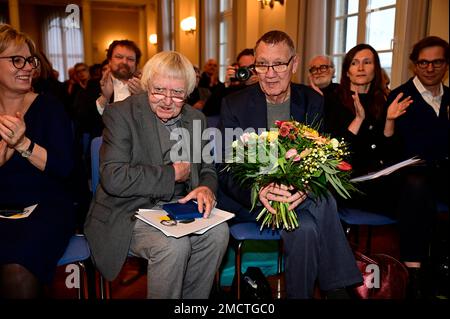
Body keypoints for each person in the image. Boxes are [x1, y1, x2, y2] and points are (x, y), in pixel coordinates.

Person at [218, 30, 362, 299]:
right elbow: (225, 168)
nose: (270, 73)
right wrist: (260, 191)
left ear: (294, 64)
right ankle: (339, 290)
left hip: (300, 200)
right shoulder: (234, 104)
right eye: (262, 64)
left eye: (279, 64)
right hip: (256, 202)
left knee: (306, 227)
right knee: (324, 202)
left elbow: (322, 156)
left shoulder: (312, 101)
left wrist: (304, 188)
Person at [84, 51, 229, 299]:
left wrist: (206, 187)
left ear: (189, 93)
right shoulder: (121, 114)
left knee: (219, 233)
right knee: (173, 244)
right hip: (129, 211)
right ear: (147, 84)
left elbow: (207, 168)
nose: (167, 100)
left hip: (178, 207)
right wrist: (170, 174)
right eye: (159, 90)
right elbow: (113, 177)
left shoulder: (195, 118)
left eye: (177, 93)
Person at [0, 24, 75, 298]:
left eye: (29, 60)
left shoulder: (49, 107)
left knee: (17, 269)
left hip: (45, 207)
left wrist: (22, 144)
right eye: (16, 60)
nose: (27, 67)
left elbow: (65, 169)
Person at [383, 36, 449, 298]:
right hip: (410, 176)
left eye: (437, 62)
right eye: (424, 62)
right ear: (414, 65)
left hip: (443, 172)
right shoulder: (400, 96)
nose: (430, 68)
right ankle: (415, 273)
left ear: (445, 64)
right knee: (417, 187)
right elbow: (390, 150)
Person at [202, 48, 258, 117]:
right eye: (244, 68)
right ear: (238, 70)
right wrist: (226, 85)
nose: (248, 72)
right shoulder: (234, 90)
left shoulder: (267, 86)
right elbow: (208, 111)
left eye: (252, 67)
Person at [95, 39, 144, 115]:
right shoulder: (93, 85)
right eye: (119, 57)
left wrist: (142, 97)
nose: (124, 62)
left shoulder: (144, 86)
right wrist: (105, 98)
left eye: (130, 59)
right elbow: (86, 121)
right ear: (109, 61)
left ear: (136, 64)